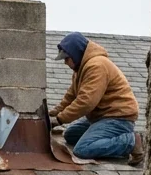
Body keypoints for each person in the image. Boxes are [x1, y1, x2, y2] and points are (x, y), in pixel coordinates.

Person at [50, 31, 145, 165]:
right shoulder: (80, 68)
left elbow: (86, 102)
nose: (65, 62)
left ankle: (130, 141)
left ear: (75, 54)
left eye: (66, 58)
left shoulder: (96, 66)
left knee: (82, 149)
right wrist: (54, 113)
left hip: (118, 117)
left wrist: (59, 119)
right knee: (70, 135)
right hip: (101, 117)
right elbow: (71, 95)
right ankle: (112, 141)